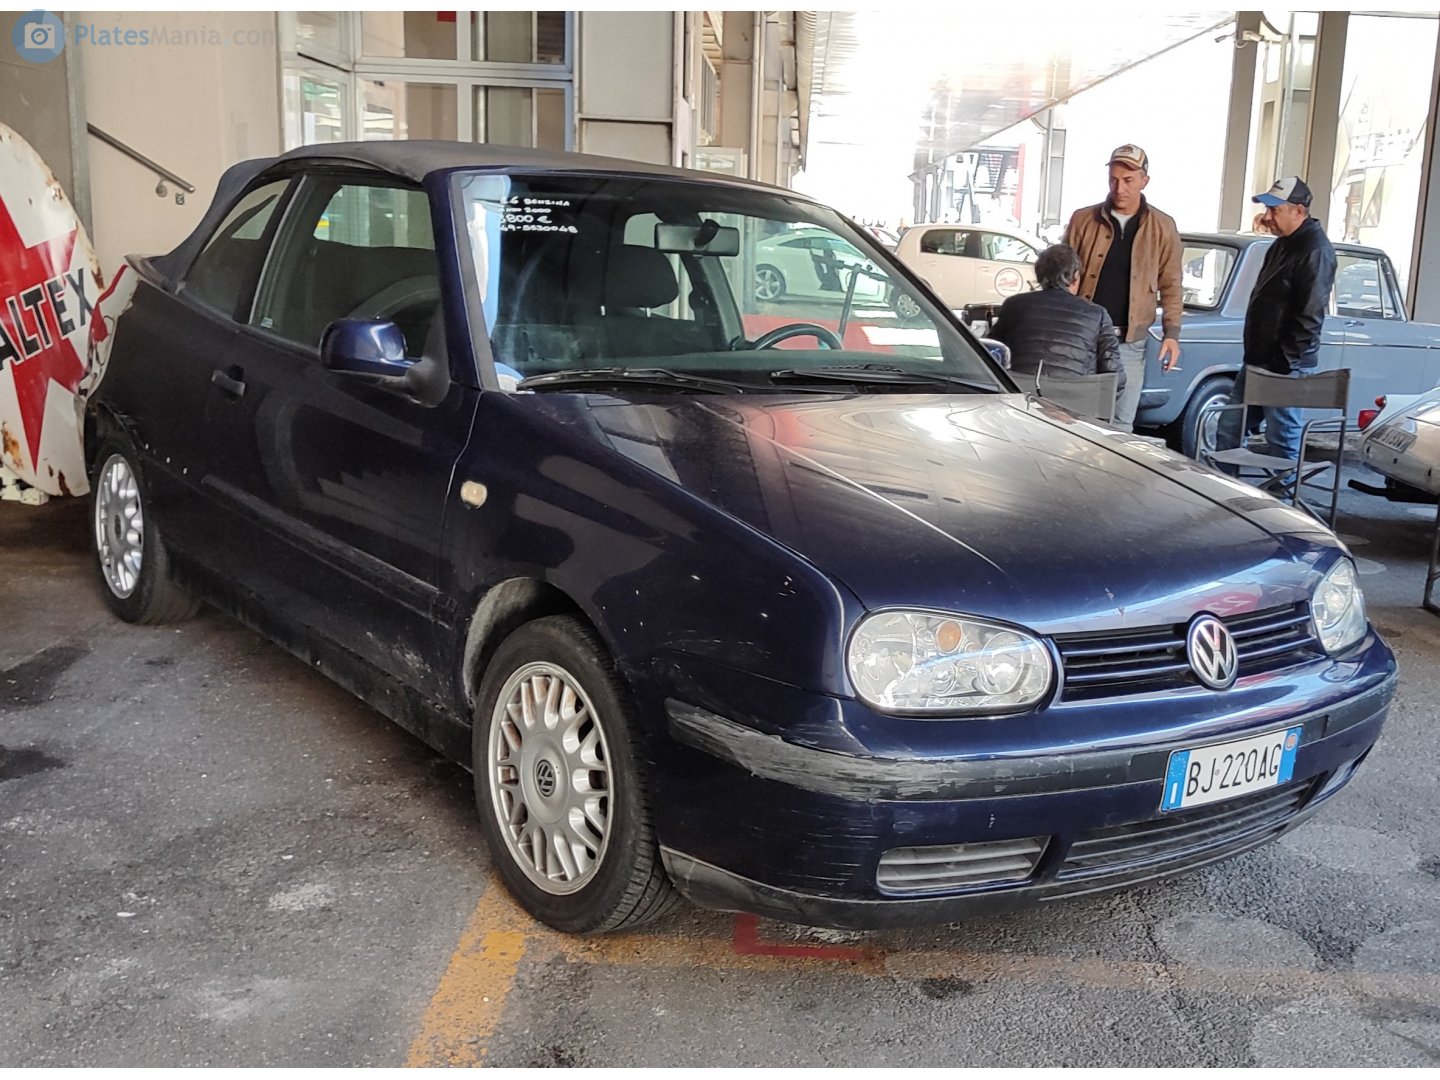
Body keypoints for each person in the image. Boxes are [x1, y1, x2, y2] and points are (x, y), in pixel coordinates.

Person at [1216, 176, 1337, 461]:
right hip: (1261, 361)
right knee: (1229, 430)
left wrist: (1283, 365)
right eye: (1268, 209)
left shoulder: (1315, 250)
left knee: (1281, 441)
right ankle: (1226, 497)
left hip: (1284, 366)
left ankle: (1283, 502)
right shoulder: (1283, 243)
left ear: (1298, 211)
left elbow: (1309, 316)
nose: (1268, 217)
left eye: (1275, 210)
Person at [1064, 143, 1183, 432]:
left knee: (1121, 424)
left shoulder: (1163, 226)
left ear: (1144, 180)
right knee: (1074, 418)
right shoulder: (1083, 219)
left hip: (1130, 341)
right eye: (1114, 179)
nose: (1120, 188)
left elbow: (1172, 283)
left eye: (1129, 180)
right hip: (1084, 337)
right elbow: (1063, 274)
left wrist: (1172, 334)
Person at [988, 243, 1125, 404]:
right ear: (1075, 277)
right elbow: (1115, 378)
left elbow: (991, 356)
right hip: (1076, 409)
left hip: (1021, 405)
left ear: (1039, 275)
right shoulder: (1097, 315)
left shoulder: (1014, 305)